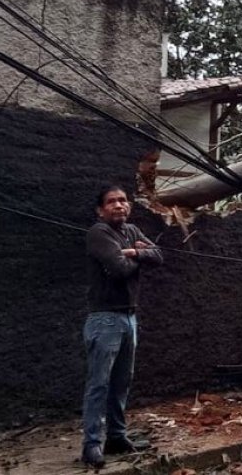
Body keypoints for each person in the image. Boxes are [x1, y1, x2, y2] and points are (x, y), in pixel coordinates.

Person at [81, 185, 164, 468]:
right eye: (112, 202)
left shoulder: (130, 231)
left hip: (129, 317)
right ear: (100, 209)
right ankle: (91, 444)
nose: (119, 205)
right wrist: (138, 256)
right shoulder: (98, 233)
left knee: (121, 382)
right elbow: (118, 270)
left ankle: (116, 436)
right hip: (104, 318)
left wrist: (133, 253)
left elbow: (159, 255)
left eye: (123, 200)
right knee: (99, 384)